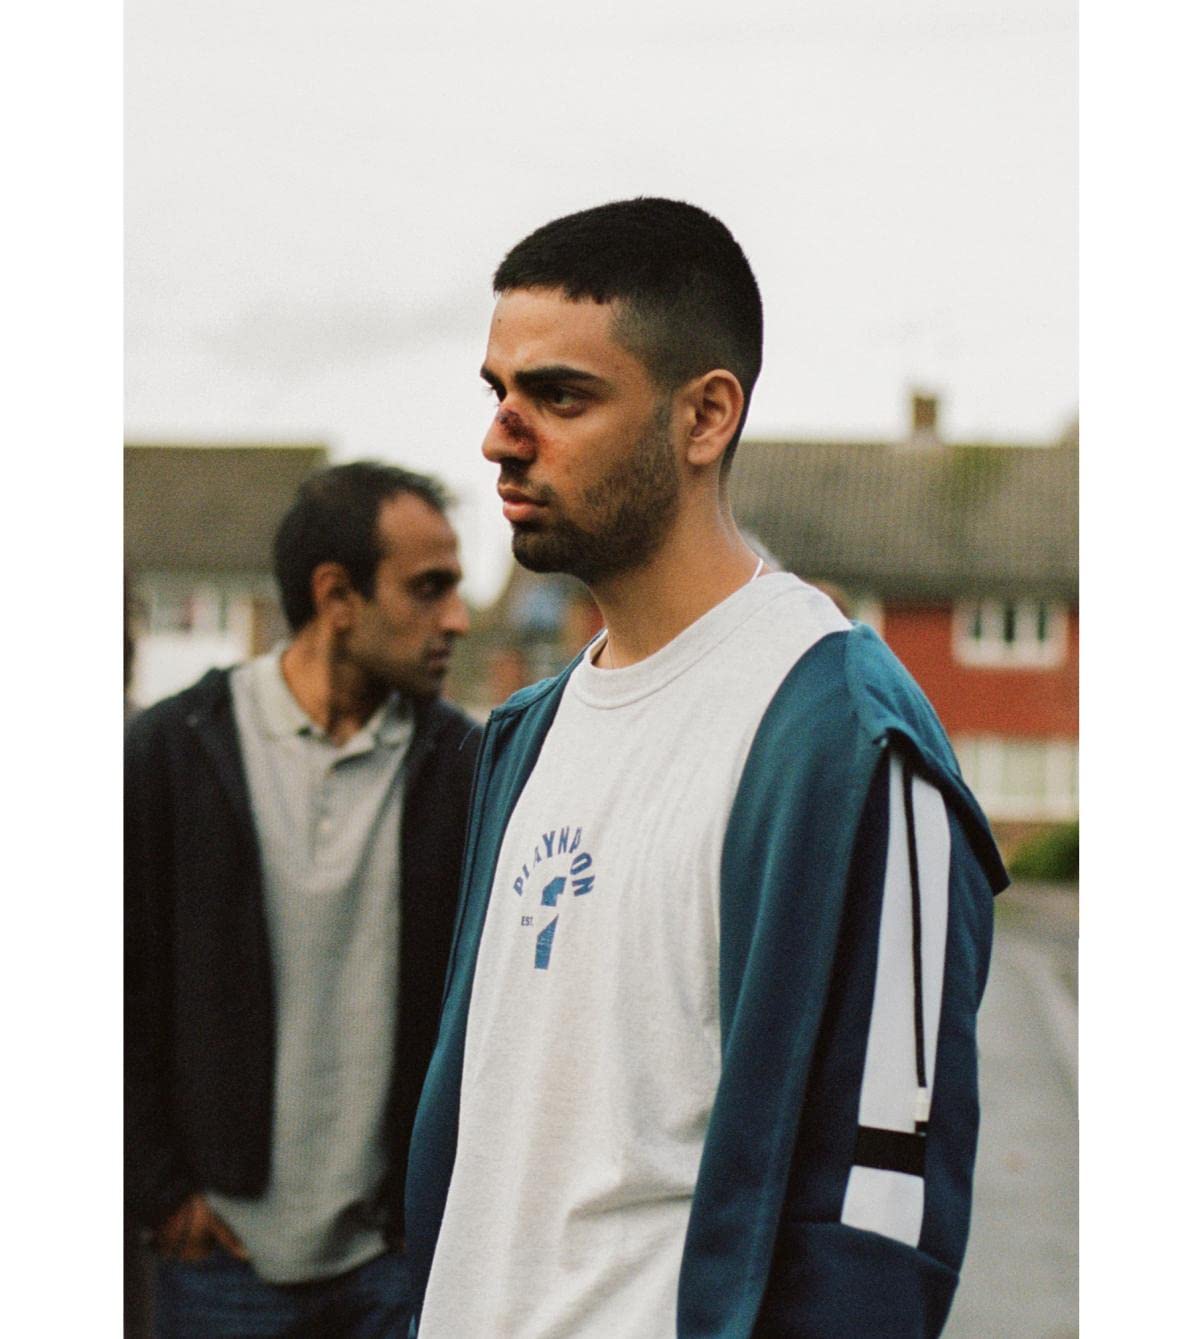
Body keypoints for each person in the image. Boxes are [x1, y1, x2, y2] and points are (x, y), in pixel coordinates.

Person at [404, 199, 1008, 1338]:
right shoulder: (525, 737)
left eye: (560, 396)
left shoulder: (846, 739)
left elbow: (879, 1225)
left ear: (705, 416)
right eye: (499, 393)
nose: (501, 438)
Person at [125, 462, 478, 1338]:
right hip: (221, 1262)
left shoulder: (464, 766)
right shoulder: (174, 749)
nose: (458, 619)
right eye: (428, 588)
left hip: (392, 1263)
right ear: (337, 596)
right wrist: (159, 1190)